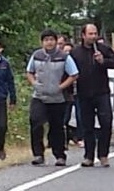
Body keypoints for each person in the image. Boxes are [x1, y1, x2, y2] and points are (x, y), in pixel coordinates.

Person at [26, 29, 79, 166]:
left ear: (56, 41)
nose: (49, 42)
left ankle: (59, 154)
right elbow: (29, 72)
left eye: (51, 40)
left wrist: (61, 87)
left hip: (57, 98)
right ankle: (38, 154)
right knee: (35, 122)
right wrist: (34, 83)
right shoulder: (36, 55)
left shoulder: (64, 57)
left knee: (56, 127)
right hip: (39, 96)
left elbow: (74, 74)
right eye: (46, 40)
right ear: (42, 42)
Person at [70, 24, 114, 168]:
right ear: (83, 35)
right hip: (83, 93)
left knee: (106, 122)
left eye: (95, 34)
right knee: (87, 126)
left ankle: (103, 154)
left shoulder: (103, 49)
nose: (93, 36)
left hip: (101, 92)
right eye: (90, 34)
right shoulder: (75, 52)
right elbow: (70, 71)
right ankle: (89, 156)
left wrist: (103, 61)